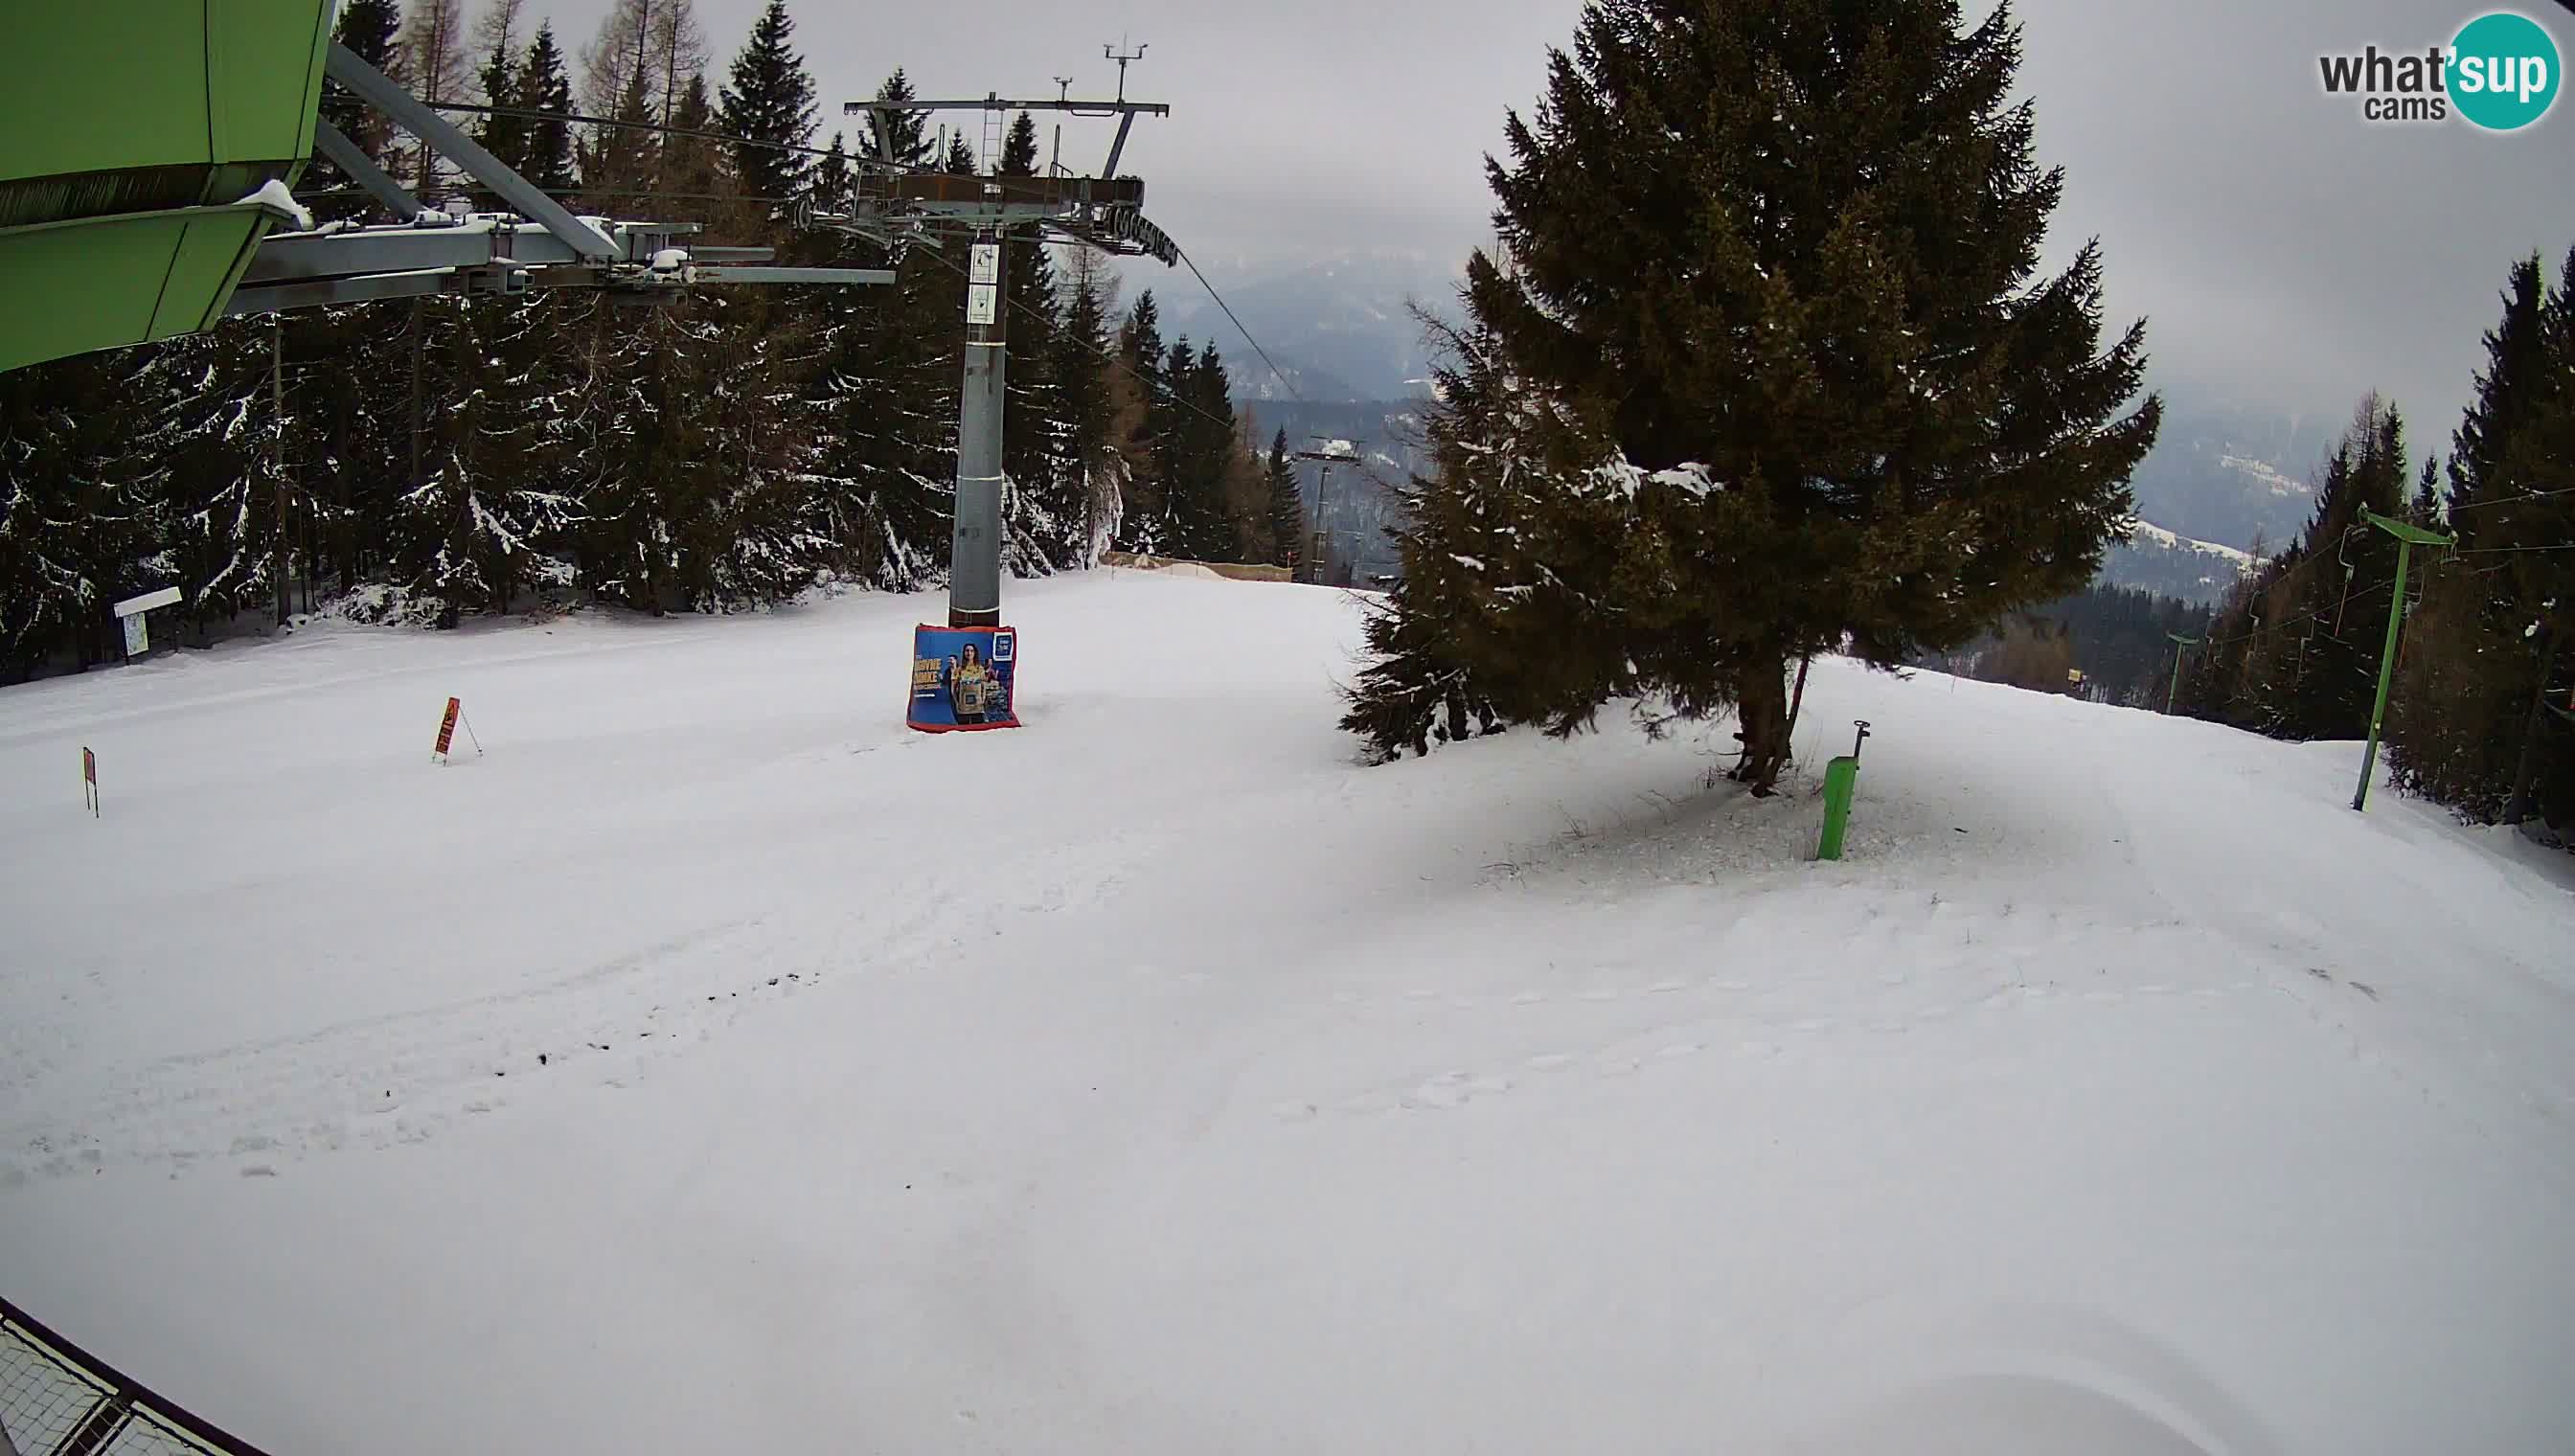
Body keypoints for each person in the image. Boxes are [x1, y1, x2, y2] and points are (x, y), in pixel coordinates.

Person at [948, 641, 991, 725]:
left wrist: (982, 700)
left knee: (979, 731)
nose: (969, 653)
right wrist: (957, 703)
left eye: (972, 651)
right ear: (964, 653)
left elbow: (983, 687)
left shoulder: (980, 669)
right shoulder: (959, 670)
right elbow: (953, 689)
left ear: (975, 653)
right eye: (967, 650)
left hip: (977, 708)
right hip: (963, 708)